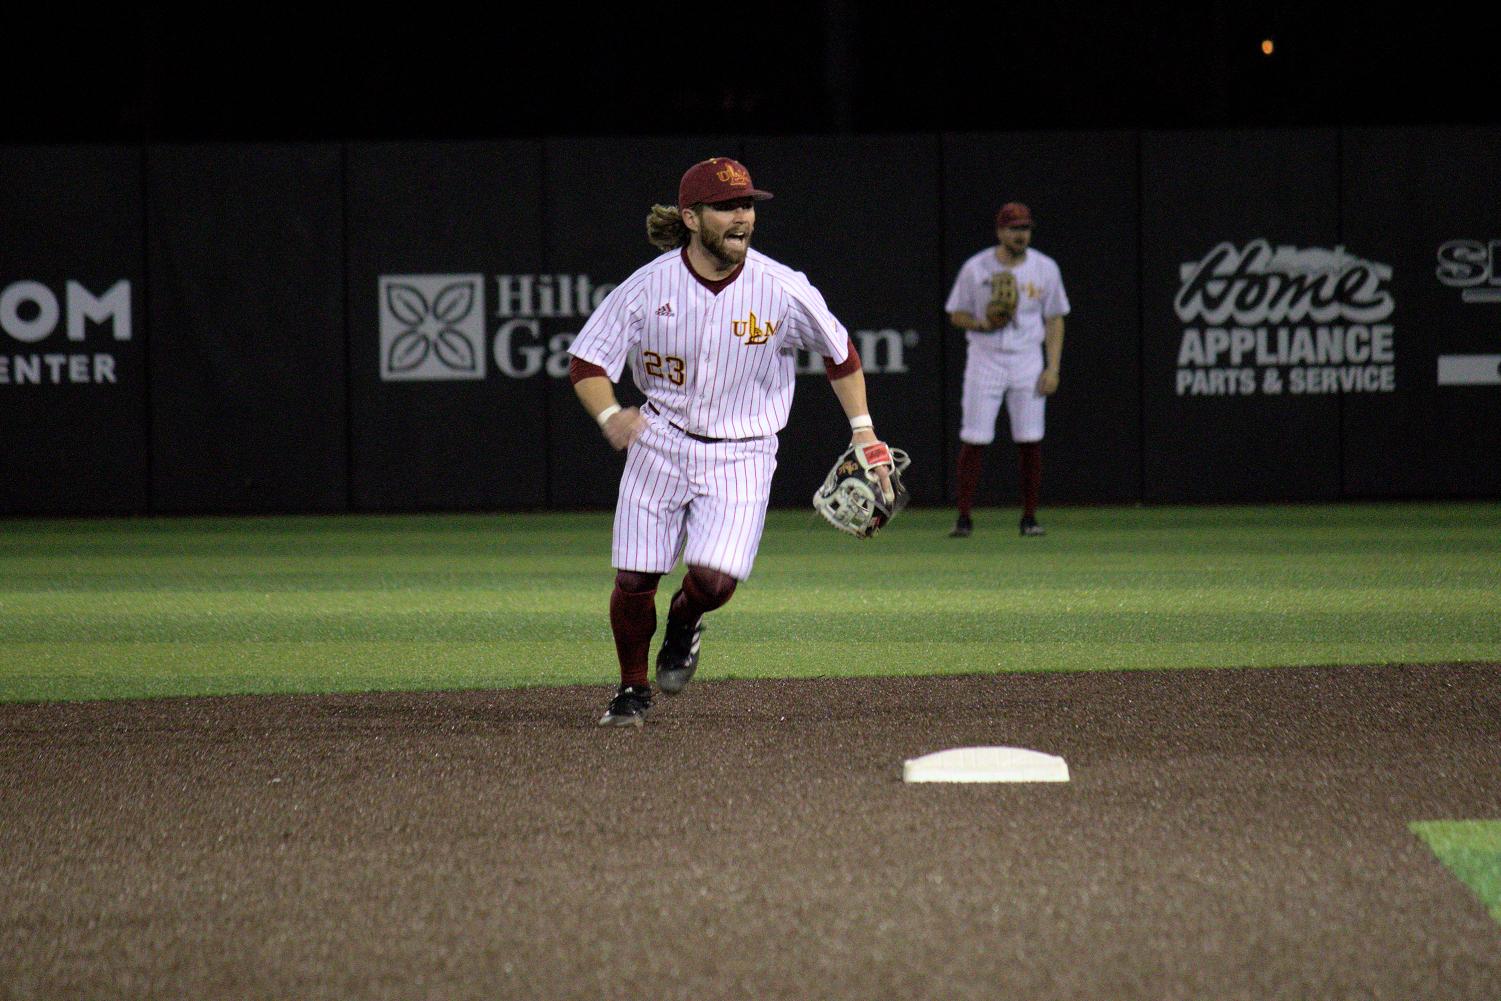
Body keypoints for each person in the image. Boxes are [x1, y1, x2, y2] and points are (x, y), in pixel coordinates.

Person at [567, 156, 895, 727]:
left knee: (715, 582)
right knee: (633, 578)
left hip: (744, 449)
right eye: (727, 207)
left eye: (747, 205)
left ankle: (687, 619)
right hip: (660, 439)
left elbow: (840, 355)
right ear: (692, 218)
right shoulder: (648, 287)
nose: (742, 216)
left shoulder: (782, 287)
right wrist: (610, 414)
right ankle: (631, 689)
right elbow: (587, 361)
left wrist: (863, 429)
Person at [944, 201, 1069, 538]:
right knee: (975, 437)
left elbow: (1055, 318)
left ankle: (1029, 518)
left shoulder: (1045, 269)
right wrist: (983, 323)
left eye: (1025, 228)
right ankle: (964, 518)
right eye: (1014, 228)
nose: (1020, 234)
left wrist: (1052, 368)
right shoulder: (976, 268)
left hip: (1028, 358)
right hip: (985, 358)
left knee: (1030, 439)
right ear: (1000, 231)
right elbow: (956, 313)